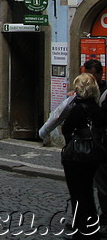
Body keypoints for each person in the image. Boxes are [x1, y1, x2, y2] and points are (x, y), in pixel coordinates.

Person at [61, 73, 104, 239]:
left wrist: (71, 142)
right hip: (93, 156)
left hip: (76, 157)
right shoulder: (95, 107)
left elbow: (66, 128)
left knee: (77, 193)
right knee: (87, 191)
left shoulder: (77, 108)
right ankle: (92, 227)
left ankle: (81, 230)